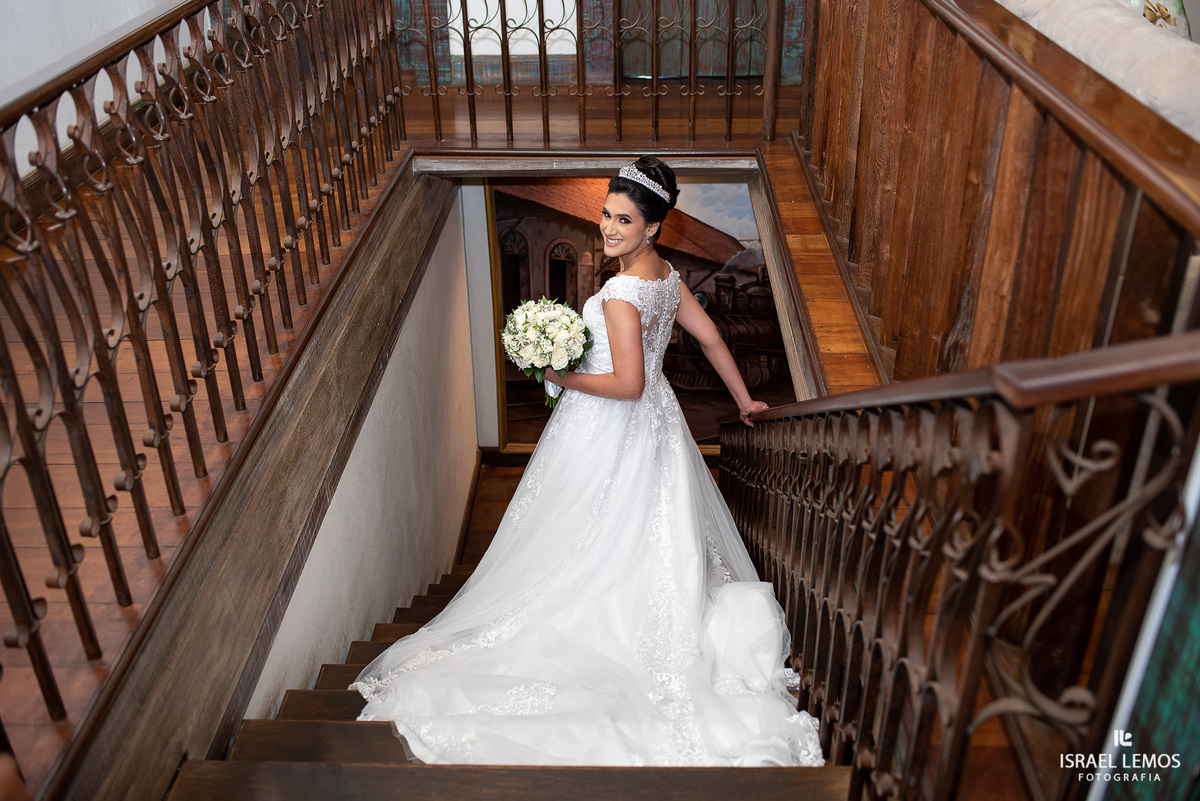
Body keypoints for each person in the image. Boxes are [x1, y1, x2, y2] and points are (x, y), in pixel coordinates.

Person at [352, 156, 823, 767]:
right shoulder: (666, 278)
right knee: (645, 532)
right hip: (658, 428)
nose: (608, 227)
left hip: (613, 424)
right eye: (606, 213)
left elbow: (627, 383)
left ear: (652, 227)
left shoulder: (626, 292)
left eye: (623, 220)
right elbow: (708, 339)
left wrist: (560, 373)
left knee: (587, 534)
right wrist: (745, 399)